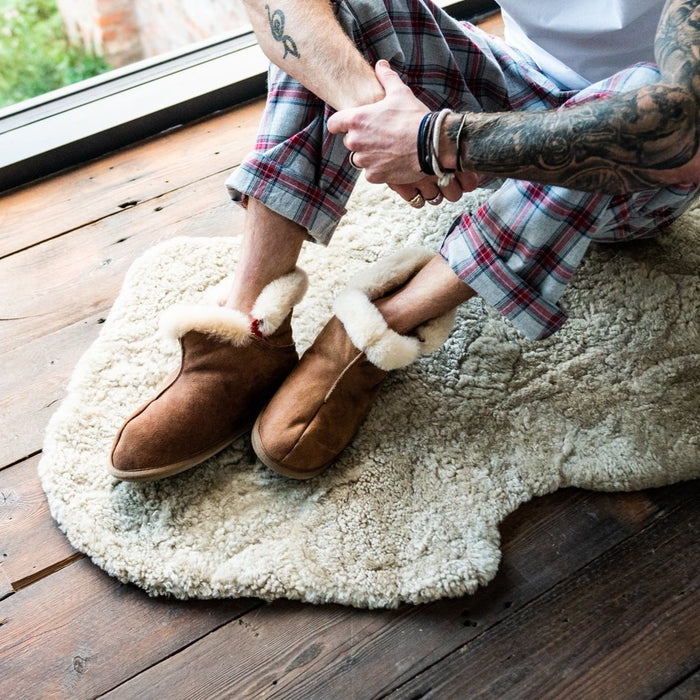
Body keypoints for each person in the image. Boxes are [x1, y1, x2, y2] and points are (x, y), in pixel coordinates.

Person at [108, 0, 700, 483]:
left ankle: (377, 330)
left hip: (645, 179)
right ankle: (249, 325)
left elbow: (680, 128)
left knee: (639, 95)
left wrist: (436, 142)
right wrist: (380, 116)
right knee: (339, 14)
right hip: (521, 87)